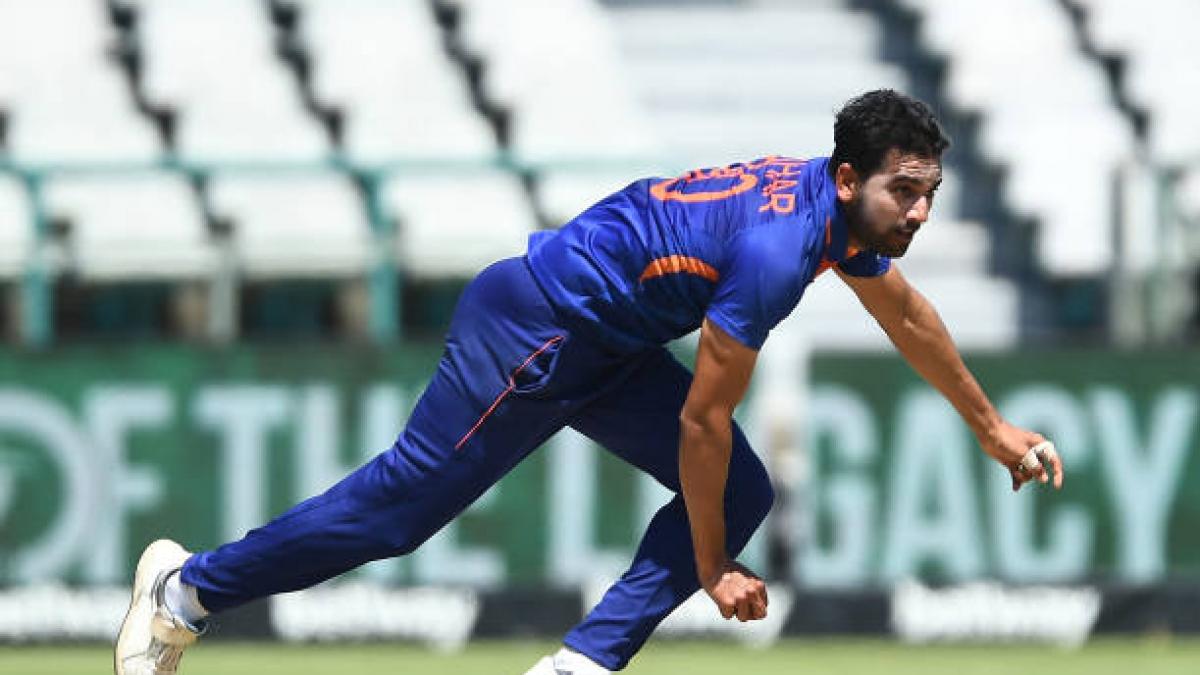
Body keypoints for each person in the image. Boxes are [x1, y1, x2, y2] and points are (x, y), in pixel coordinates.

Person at [114, 89, 1064, 675]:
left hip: (603, 343)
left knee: (745, 489)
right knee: (395, 517)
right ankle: (184, 592)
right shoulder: (780, 251)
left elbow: (906, 314)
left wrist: (991, 429)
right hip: (538, 331)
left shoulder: (828, 209)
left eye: (933, 190)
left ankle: (582, 661)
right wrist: (709, 568)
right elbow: (703, 419)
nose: (923, 210)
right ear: (852, 176)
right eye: (908, 190)